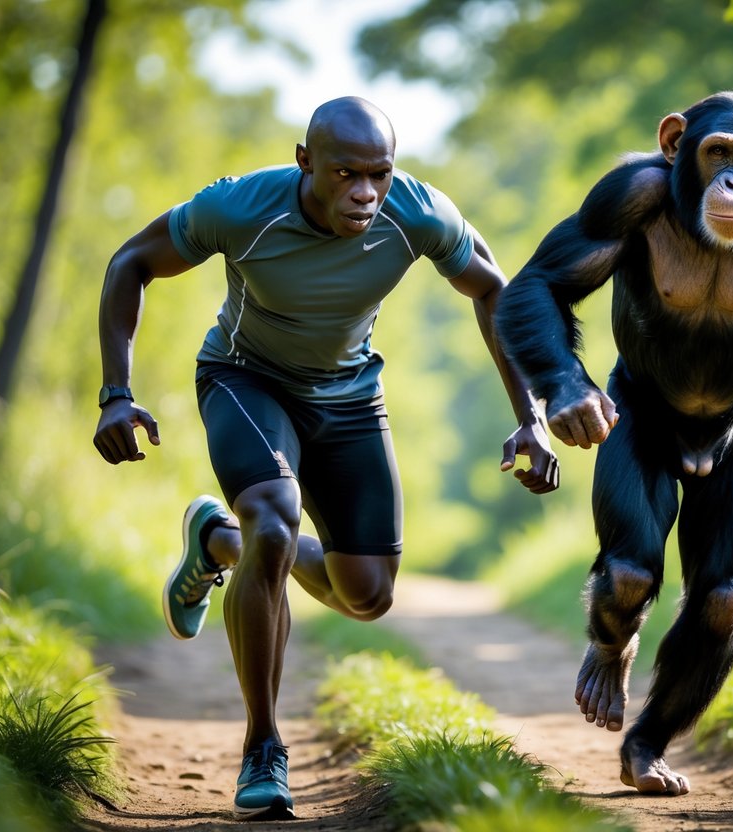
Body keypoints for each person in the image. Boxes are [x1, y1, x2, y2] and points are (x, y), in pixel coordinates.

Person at [93, 97, 557, 820]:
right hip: (246, 380)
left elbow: (495, 290)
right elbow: (131, 262)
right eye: (346, 174)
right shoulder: (242, 208)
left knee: (366, 596)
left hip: (349, 397)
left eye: (379, 174)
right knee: (274, 521)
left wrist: (531, 417)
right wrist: (116, 394)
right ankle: (263, 745)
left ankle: (218, 541)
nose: (365, 193)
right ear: (305, 161)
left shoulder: (418, 213)